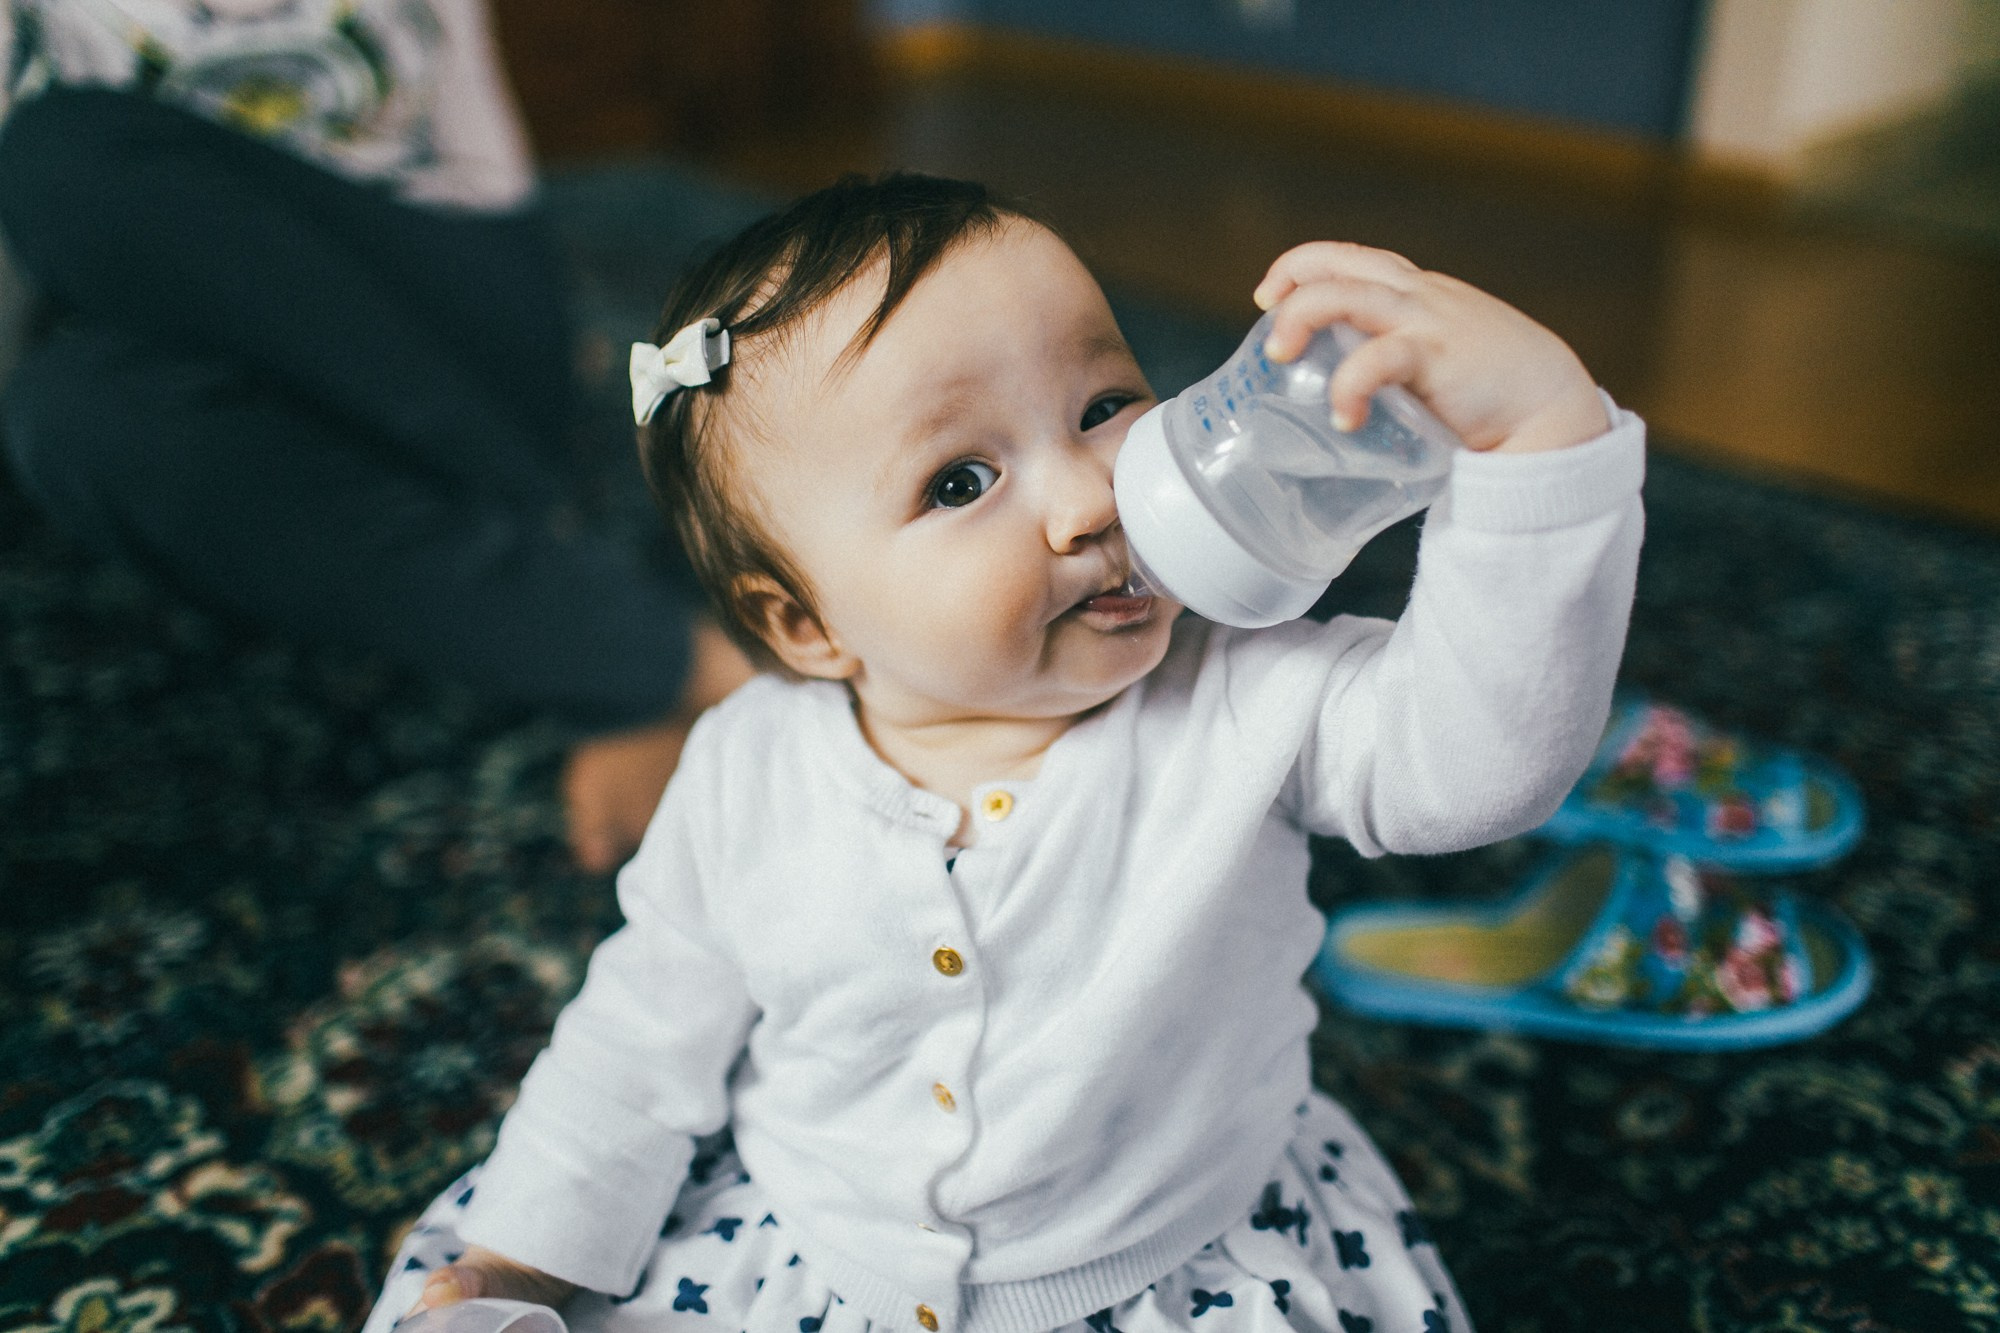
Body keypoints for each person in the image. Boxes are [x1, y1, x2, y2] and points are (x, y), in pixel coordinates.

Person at [364, 173, 1646, 1332]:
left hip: (1166, 1262)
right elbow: (638, 1042)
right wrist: (526, 1265)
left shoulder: (1253, 696)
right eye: (962, 482)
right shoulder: (745, 768)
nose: (1092, 500)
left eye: (1104, 405)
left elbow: (1484, 762)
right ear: (805, 625)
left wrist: (1540, 444)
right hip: (824, 1252)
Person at [0, 0, 751, 873]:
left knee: (60, 158)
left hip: (431, 300)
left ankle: (655, 654)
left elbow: (483, 174)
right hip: (159, 316)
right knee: (75, 408)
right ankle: (625, 631)